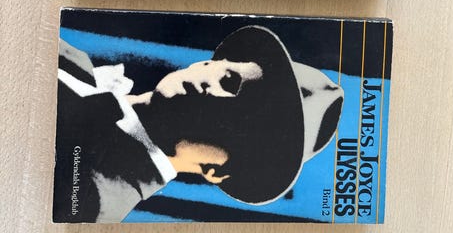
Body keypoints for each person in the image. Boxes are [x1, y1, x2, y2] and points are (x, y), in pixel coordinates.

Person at [53, 26, 344, 223]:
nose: (215, 97)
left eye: (236, 123)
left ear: (216, 171)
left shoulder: (90, 201)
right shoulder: (75, 61)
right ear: (207, 64)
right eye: (229, 80)